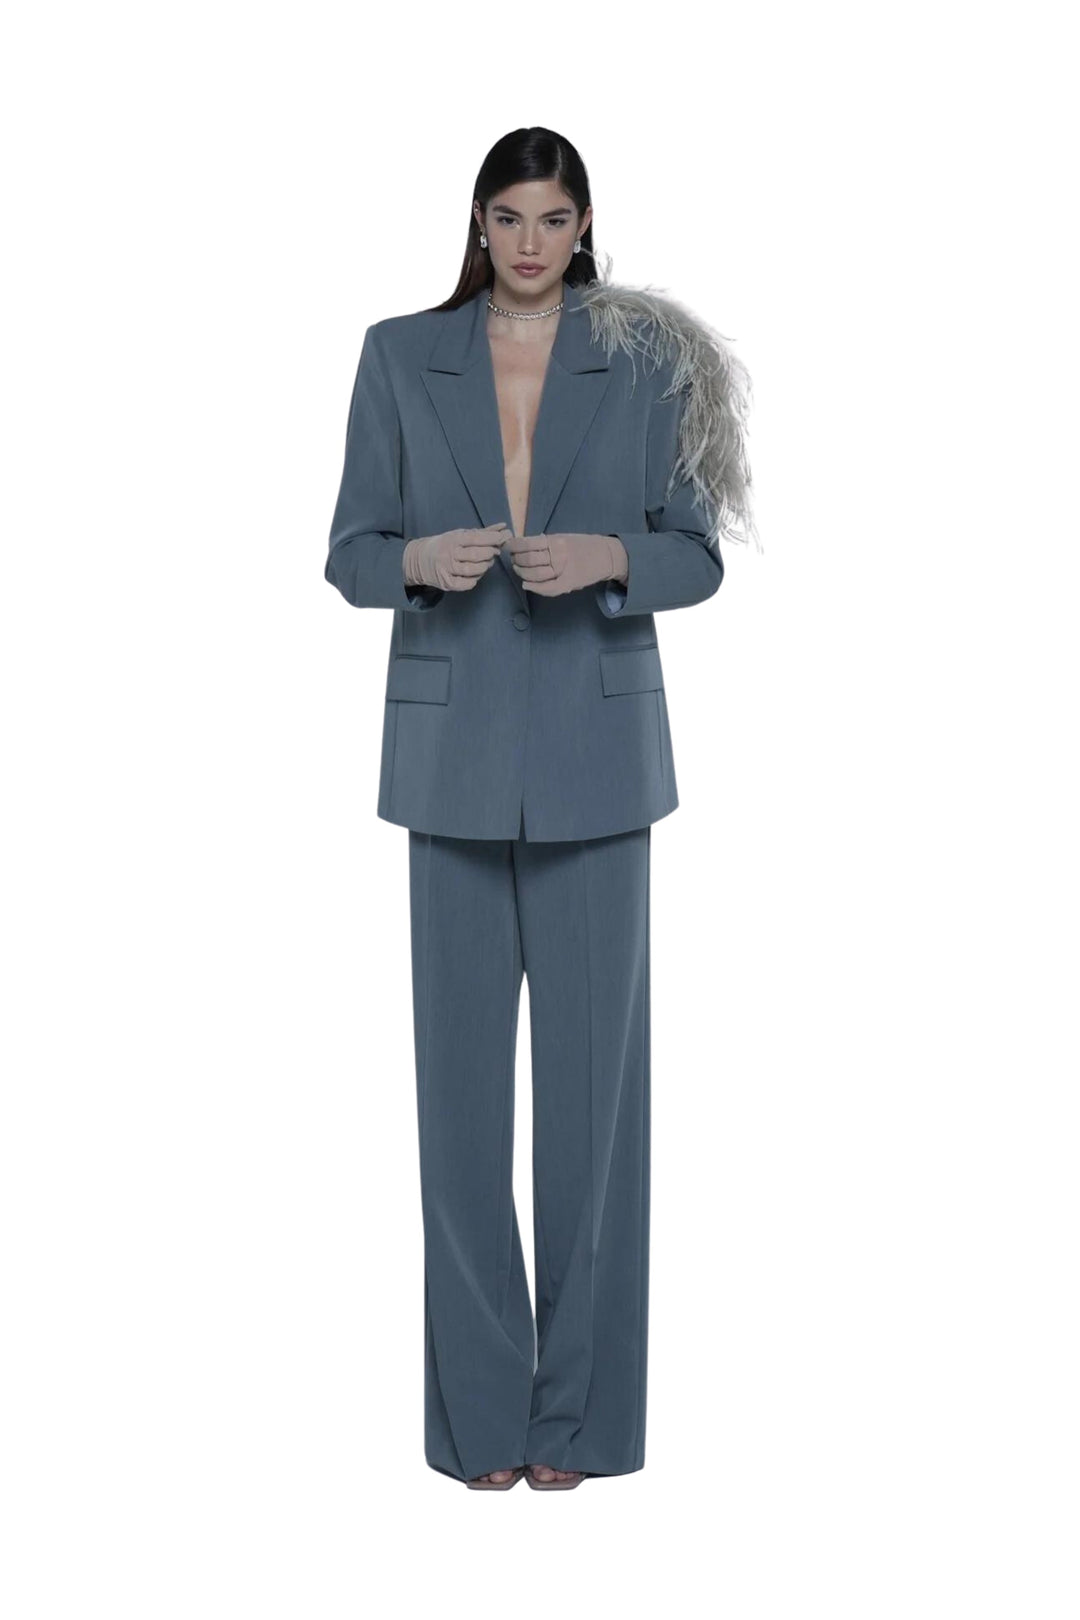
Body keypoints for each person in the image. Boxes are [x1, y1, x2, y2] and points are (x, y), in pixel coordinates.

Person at [323, 127, 758, 1491]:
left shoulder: (648, 360)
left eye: (553, 218)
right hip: (448, 768)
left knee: (592, 1125)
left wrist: (612, 553)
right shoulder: (400, 355)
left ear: (583, 226)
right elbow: (347, 552)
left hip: (597, 763)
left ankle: (577, 1424)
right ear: (477, 222)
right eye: (508, 216)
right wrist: (419, 561)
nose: (529, 242)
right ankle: (481, 1425)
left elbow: (700, 555)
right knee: (458, 1121)